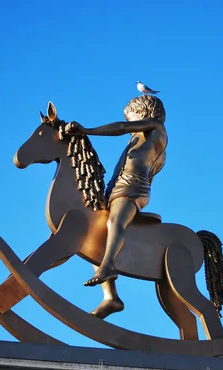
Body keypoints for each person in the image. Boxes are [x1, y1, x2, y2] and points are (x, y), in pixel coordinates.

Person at [65, 95, 167, 318]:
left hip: (132, 188)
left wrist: (87, 130)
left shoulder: (156, 130)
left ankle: (109, 265)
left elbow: (121, 127)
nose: (130, 126)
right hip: (115, 188)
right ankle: (110, 297)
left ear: (144, 114)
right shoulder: (136, 140)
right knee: (95, 234)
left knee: (115, 222)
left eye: (132, 119)